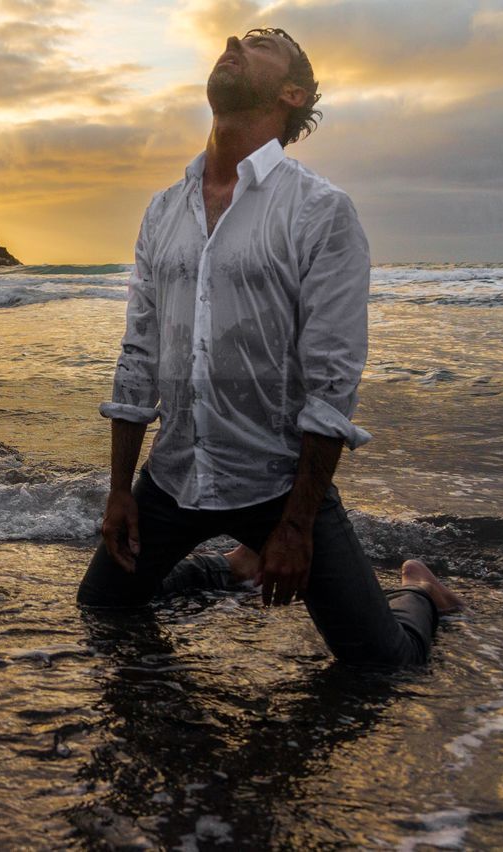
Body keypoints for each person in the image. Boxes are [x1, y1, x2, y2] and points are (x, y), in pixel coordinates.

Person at [77, 27, 464, 668]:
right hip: (172, 479)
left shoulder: (319, 210)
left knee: (382, 661)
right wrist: (121, 489)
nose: (232, 38)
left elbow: (332, 377)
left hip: (276, 486)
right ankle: (232, 567)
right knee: (104, 607)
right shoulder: (163, 210)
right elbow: (139, 351)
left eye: (258, 42)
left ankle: (420, 592)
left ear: (293, 93)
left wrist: (296, 525)